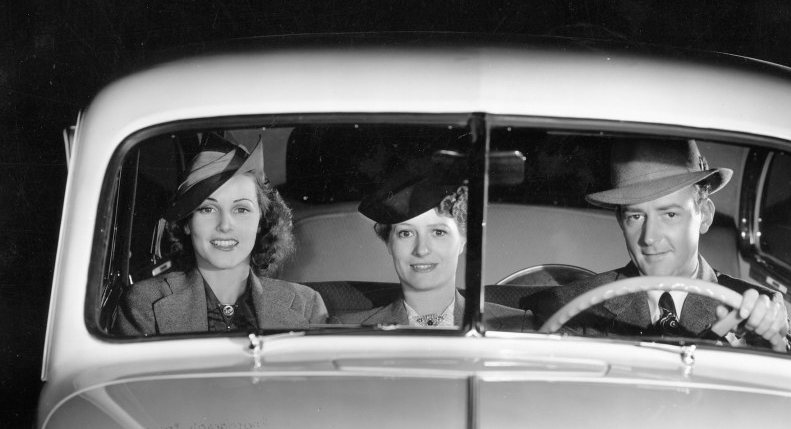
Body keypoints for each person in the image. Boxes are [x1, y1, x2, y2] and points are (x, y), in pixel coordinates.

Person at [527, 138, 791, 352]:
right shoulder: (573, 308)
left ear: (705, 216)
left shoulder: (759, 308)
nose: (649, 237)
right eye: (636, 216)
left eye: (670, 214)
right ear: (621, 221)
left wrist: (774, 347)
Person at [113, 134, 328, 335]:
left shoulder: (306, 305)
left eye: (241, 209)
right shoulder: (144, 305)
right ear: (187, 223)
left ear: (261, 221)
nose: (225, 225)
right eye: (208, 209)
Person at [329, 174, 534, 331]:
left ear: (463, 239)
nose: (422, 249)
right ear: (389, 244)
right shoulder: (346, 328)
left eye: (438, 232)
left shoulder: (519, 325)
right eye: (406, 233)